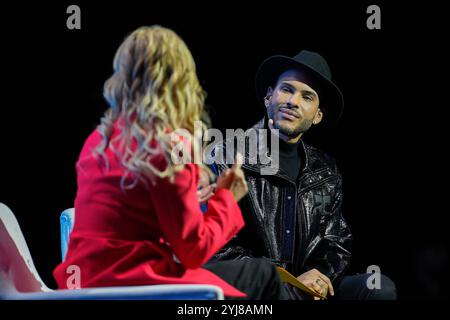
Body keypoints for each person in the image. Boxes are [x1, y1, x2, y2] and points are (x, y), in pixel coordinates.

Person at [53, 26, 288, 300]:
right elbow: (194, 251)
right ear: (181, 82)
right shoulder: (170, 146)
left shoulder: (98, 139)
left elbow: (130, 216)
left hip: (85, 283)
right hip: (137, 285)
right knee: (264, 274)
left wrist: (187, 200)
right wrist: (226, 198)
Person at [208, 50, 397, 300]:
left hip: (307, 289)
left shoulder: (325, 170)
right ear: (268, 96)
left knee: (377, 288)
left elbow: (336, 242)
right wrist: (279, 278)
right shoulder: (226, 156)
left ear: (317, 115)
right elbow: (216, 247)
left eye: (307, 96)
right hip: (258, 287)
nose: (293, 102)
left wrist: (319, 277)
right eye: (286, 89)